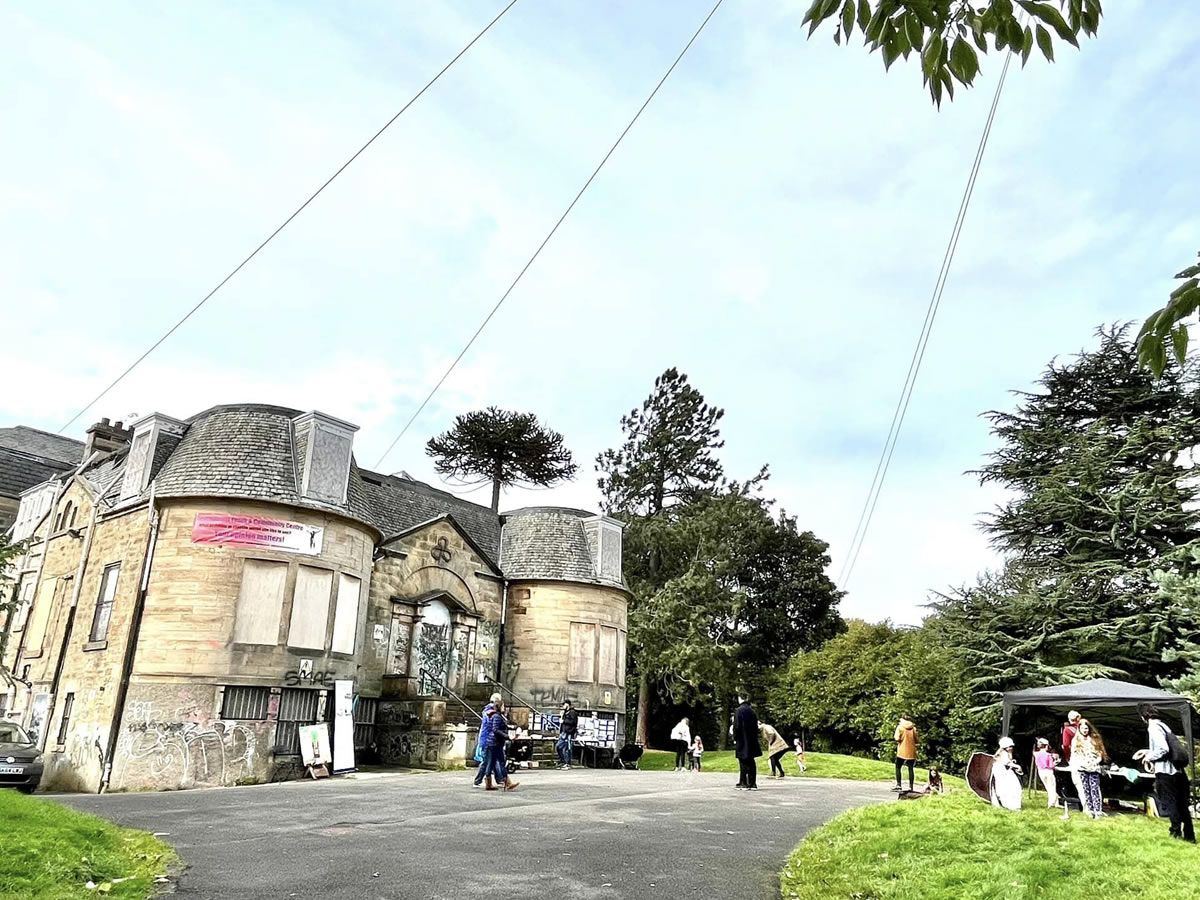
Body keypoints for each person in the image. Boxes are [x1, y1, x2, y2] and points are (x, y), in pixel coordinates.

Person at [1135, 704, 1196, 842]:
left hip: (1166, 772)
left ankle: (1175, 832)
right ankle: (1189, 836)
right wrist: (1147, 751)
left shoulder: (1153, 727)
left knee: (1171, 803)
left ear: (1143, 716)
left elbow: (1163, 749)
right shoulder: (1164, 725)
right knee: (1182, 804)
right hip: (1178, 771)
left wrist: (1148, 757)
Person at [1070, 718, 1106, 819]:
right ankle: (1090, 811)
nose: (1085, 730)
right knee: (1086, 790)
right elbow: (1074, 755)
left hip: (1094, 768)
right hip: (1082, 768)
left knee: (1094, 789)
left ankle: (1098, 811)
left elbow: (1100, 754)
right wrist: (1080, 764)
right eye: (1083, 728)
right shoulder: (1075, 740)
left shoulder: (1095, 739)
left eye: (1086, 728)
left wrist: (1095, 761)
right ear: (1079, 729)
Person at [732, 694, 762, 790]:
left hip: (742, 739)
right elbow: (756, 727)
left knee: (743, 760)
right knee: (751, 761)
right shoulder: (752, 711)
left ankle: (743, 782)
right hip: (751, 740)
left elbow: (736, 726)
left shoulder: (738, 711)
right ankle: (752, 783)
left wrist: (735, 738)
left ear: (740, 699)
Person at [473, 693, 502, 789]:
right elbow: (492, 727)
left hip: (486, 739)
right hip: (488, 740)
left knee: (493, 760)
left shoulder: (488, 711)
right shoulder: (491, 712)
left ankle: (500, 779)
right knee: (487, 761)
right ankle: (478, 781)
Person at [489, 701, 519, 791]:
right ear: (499, 707)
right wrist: (507, 736)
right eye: (503, 706)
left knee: (493, 763)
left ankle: (505, 782)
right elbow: (495, 729)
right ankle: (506, 782)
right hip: (495, 743)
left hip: (496, 743)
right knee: (498, 762)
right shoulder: (497, 717)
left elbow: (501, 727)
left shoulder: (500, 716)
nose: (504, 707)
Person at [991, 736, 1023, 810]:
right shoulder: (1003, 753)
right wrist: (1017, 766)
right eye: (1009, 746)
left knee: (1012, 787)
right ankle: (1012, 805)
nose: (1011, 748)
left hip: (1004, 772)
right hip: (1003, 773)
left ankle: (1012, 804)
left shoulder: (1005, 753)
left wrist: (1013, 763)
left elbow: (1007, 762)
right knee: (1012, 787)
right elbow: (1007, 763)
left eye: (1011, 746)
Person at [893, 716, 918, 793]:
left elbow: (897, 738)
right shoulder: (914, 728)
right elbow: (917, 740)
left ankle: (899, 785)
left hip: (901, 751)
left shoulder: (900, 727)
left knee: (898, 767)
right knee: (910, 769)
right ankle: (911, 787)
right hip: (911, 752)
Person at [1033, 737, 1060, 808]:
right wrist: (1056, 762)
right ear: (1046, 745)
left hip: (1041, 771)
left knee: (1048, 787)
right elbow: (1051, 765)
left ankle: (1055, 803)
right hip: (1048, 772)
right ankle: (1052, 803)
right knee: (1052, 787)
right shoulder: (1048, 755)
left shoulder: (1036, 754)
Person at [556, 700, 578, 770]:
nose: (563, 707)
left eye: (564, 705)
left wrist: (564, 721)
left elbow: (573, 722)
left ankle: (567, 763)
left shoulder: (572, 712)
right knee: (559, 747)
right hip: (563, 732)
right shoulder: (565, 713)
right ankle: (563, 762)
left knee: (566, 748)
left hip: (568, 733)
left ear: (567, 705)